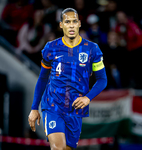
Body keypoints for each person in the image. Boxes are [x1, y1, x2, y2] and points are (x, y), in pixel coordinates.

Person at [28, 8, 107, 150]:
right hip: (53, 106)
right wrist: (34, 108)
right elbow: (42, 79)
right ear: (61, 25)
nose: (71, 25)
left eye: (74, 21)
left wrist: (87, 98)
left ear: (79, 24)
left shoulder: (92, 49)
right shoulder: (50, 48)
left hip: (75, 109)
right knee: (58, 148)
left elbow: (102, 80)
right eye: (67, 22)